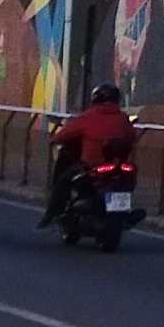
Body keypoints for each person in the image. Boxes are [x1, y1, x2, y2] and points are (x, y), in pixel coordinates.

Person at [42, 83, 137, 227]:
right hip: (119, 166)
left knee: (62, 181)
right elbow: (132, 137)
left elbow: (62, 136)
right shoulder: (123, 118)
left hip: (92, 165)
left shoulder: (89, 116)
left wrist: (55, 139)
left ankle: (51, 213)